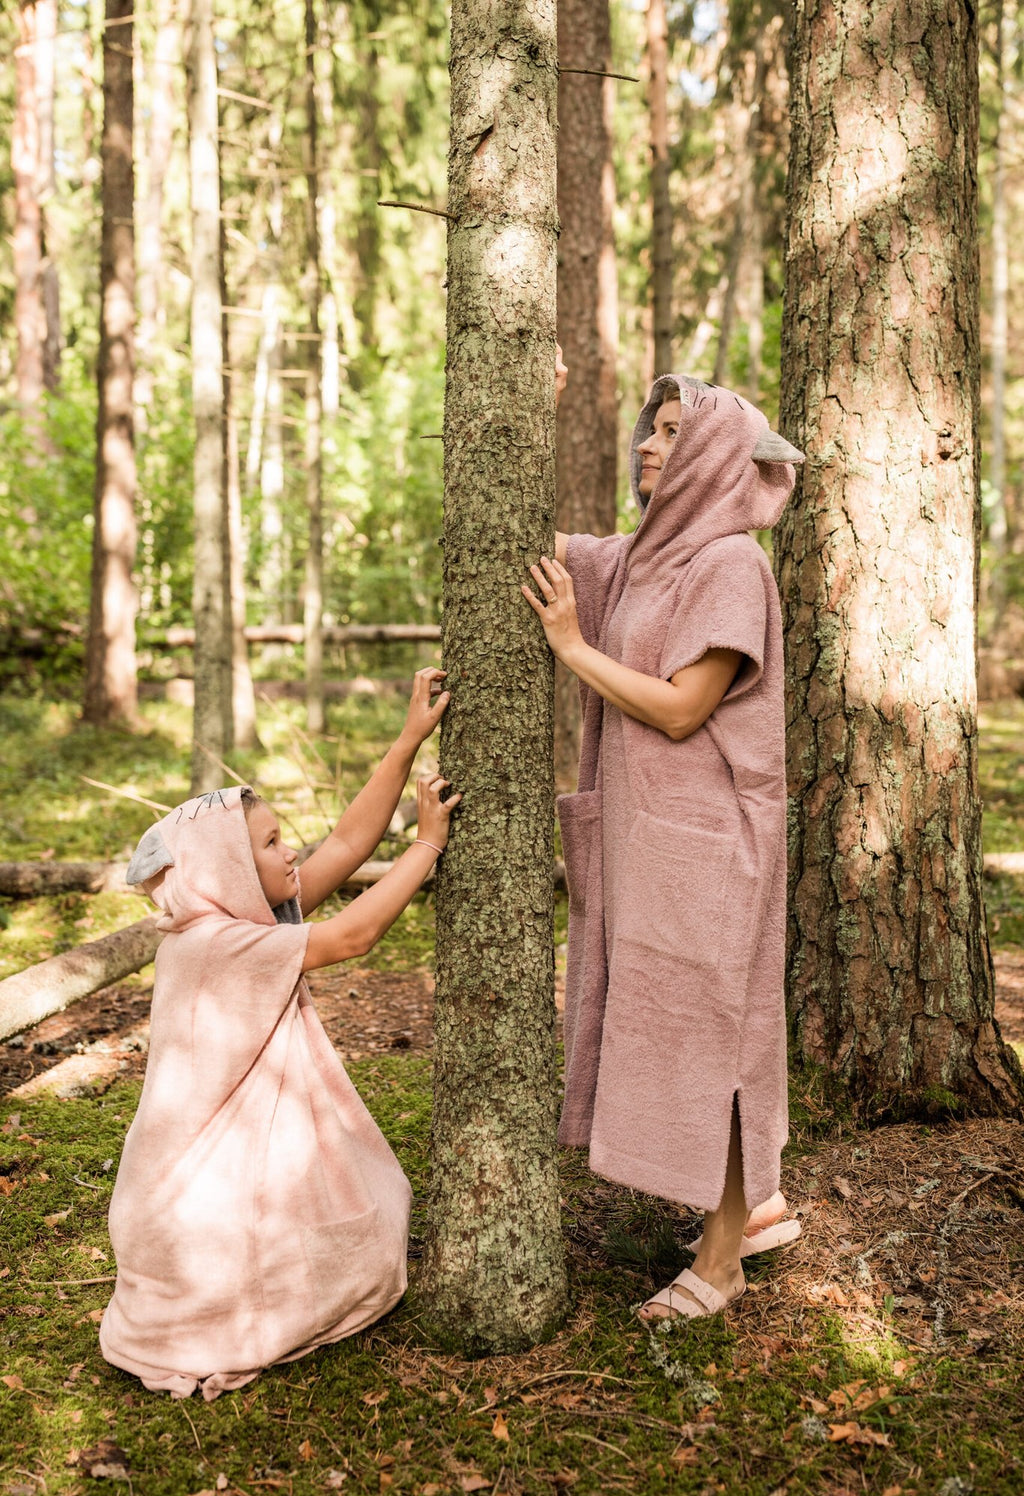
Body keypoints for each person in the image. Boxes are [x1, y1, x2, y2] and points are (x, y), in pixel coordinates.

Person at [523, 370, 803, 1322]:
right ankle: (750, 1211)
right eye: (653, 427)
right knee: (674, 1027)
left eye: (674, 433)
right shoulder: (643, 558)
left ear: (715, 459)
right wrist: (532, 406)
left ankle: (722, 1263)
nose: (647, 442)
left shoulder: (729, 565)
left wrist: (573, 649)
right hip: (656, 845)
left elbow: (686, 710)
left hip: (712, 847)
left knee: (716, 1036)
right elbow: (523, 537)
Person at [99, 668, 460, 1399]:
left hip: (221, 1167)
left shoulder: (236, 916)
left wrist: (408, 739)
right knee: (342, 1253)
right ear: (229, 868)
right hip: (187, 1191)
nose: (289, 851)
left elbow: (346, 844)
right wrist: (426, 846)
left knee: (366, 1225)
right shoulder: (214, 943)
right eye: (268, 845)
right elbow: (353, 936)